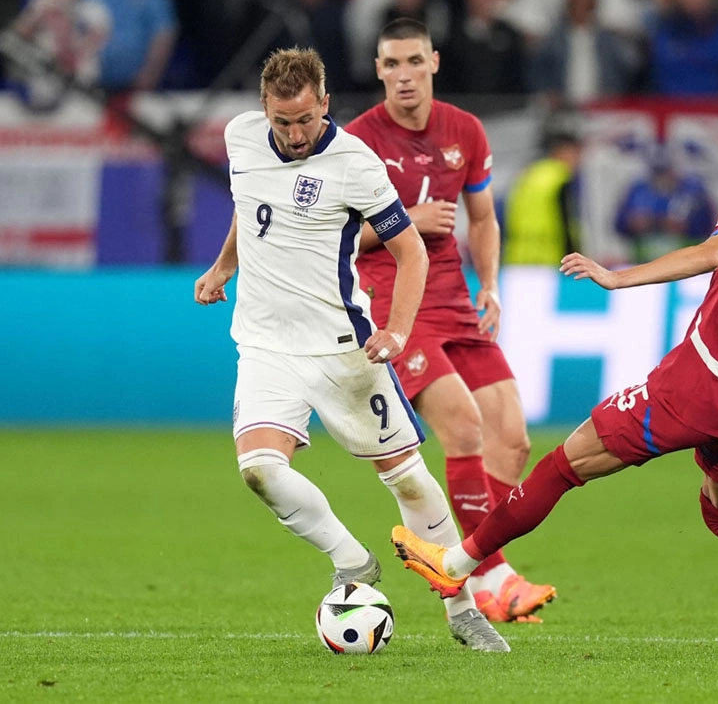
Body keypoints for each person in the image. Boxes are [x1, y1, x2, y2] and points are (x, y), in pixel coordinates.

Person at [390, 128, 718, 657]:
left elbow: (713, 252)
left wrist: (617, 278)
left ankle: (455, 566)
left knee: (562, 465)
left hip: (690, 388)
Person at [193, 47, 509, 652]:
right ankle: (353, 562)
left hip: (344, 350)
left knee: (409, 481)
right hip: (263, 344)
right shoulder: (240, 138)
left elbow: (411, 252)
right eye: (282, 122)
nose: (293, 133)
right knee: (259, 470)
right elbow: (247, 207)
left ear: (325, 105)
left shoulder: (354, 163)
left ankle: (463, 607)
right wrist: (222, 266)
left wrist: (396, 329)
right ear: (264, 110)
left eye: (305, 120)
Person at [345, 18, 556, 623]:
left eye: (414, 61)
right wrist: (402, 219)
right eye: (391, 65)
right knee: (463, 430)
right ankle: (494, 575)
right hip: (396, 307)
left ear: (434, 61)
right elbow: (336, 237)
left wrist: (490, 284)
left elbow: (484, 219)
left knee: (511, 440)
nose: (404, 75)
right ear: (379, 69)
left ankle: (474, 572)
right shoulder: (358, 142)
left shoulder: (465, 129)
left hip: (458, 303)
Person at [614, 146, 716, 263]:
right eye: (657, 172)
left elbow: (707, 223)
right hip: (643, 263)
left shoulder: (693, 190)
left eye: (665, 171)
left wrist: (687, 227)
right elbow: (619, 223)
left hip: (686, 263)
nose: (662, 177)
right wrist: (632, 224)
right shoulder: (638, 189)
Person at [502, 121, 583, 265]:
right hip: (549, 259)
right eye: (576, 154)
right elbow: (565, 219)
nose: (579, 161)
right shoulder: (560, 177)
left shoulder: (527, 175)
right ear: (563, 151)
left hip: (517, 258)